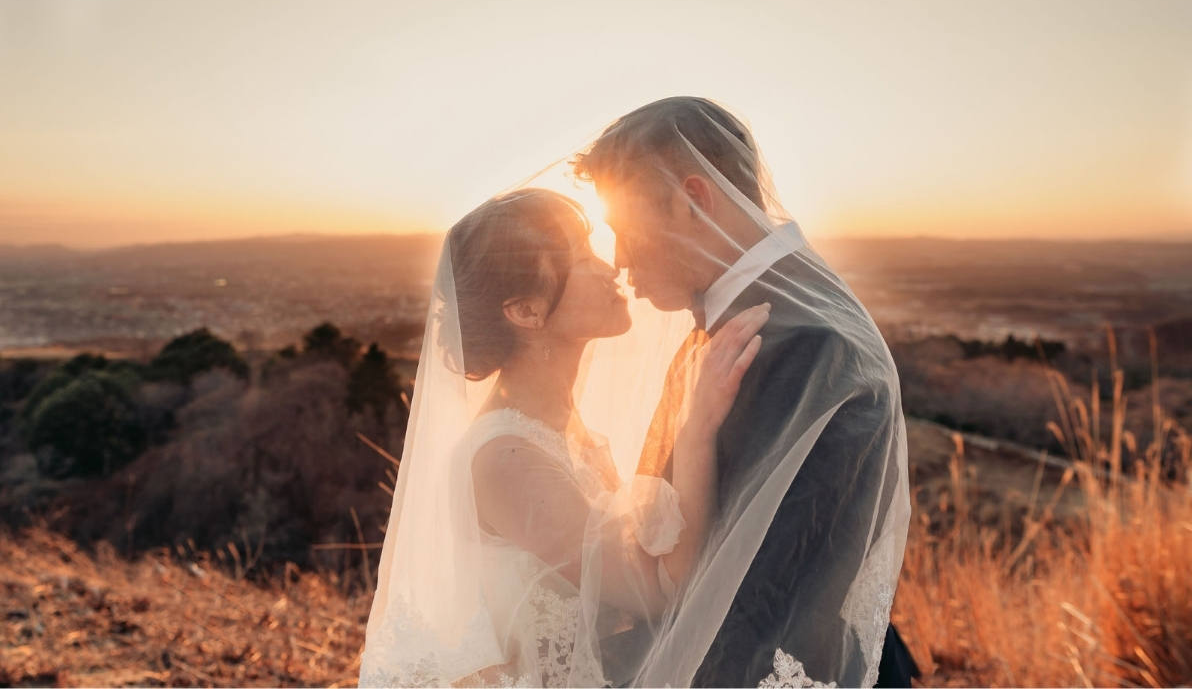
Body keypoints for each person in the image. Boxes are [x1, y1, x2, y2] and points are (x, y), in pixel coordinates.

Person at [358, 187, 769, 688]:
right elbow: (659, 594)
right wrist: (696, 429)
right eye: (581, 257)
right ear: (525, 312)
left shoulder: (566, 429)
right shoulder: (506, 459)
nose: (611, 267)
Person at [570, 96, 916, 688]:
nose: (620, 260)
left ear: (694, 201)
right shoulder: (765, 314)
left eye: (624, 230)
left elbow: (761, 597)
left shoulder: (799, 342)